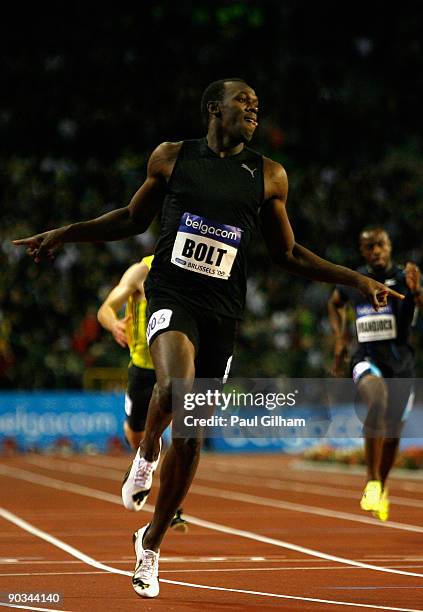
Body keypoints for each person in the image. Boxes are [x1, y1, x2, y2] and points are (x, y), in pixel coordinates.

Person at [13, 78, 403, 599]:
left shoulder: (268, 175)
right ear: (213, 108)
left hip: (223, 313)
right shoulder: (173, 157)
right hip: (172, 294)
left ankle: (149, 541)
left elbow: (288, 254)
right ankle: (147, 451)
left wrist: (357, 279)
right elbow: (132, 218)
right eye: (243, 101)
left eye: (257, 105)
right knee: (175, 388)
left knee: (193, 436)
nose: (253, 108)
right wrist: (66, 232)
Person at [328, 227, 422, 521]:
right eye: (369, 247)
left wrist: (417, 292)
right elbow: (334, 302)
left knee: (393, 433)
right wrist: (340, 339)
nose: (376, 251)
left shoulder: (406, 278)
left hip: (402, 364)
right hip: (366, 357)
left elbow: (420, 305)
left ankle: (381, 484)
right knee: (376, 398)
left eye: (380, 245)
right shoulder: (356, 281)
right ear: (363, 251)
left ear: (390, 246)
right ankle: (370, 479)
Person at [97, 254, 187, 531]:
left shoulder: (189, 272)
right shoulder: (140, 271)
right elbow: (106, 308)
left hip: (172, 365)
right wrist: (113, 323)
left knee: (179, 437)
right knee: (136, 434)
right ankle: (145, 461)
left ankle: (173, 504)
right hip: (142, 368)